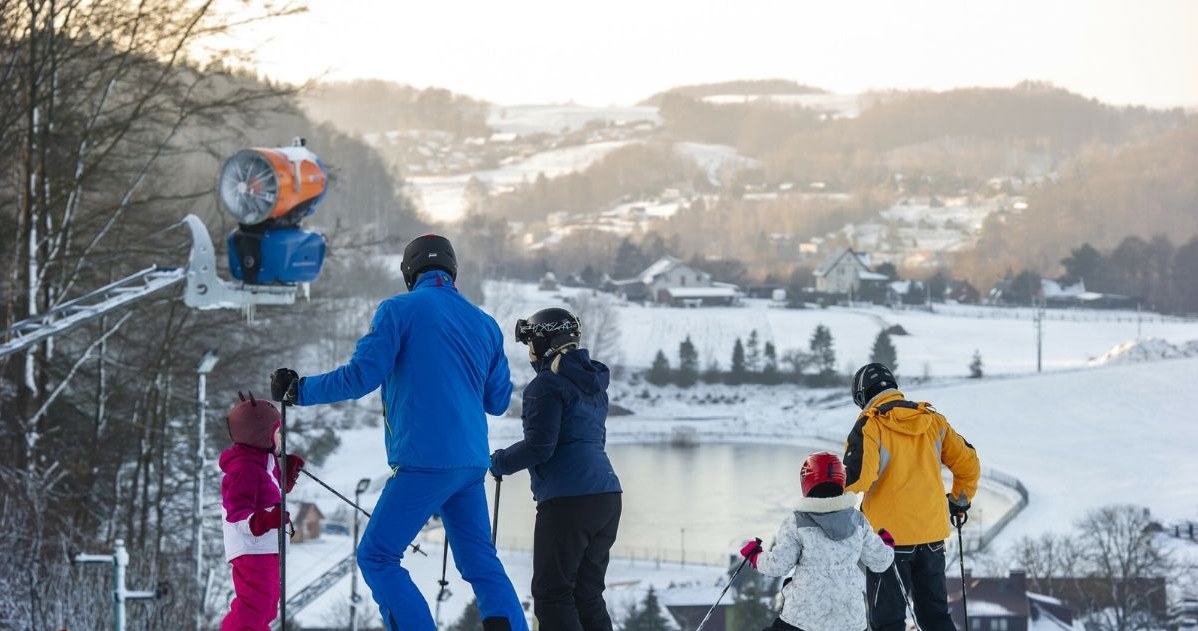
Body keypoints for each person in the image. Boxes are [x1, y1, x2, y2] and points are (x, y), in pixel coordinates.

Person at [270, 234, 527, 631]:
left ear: (410, 272)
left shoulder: (397, 311)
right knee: (481, 563)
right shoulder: (486, 325)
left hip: (424, 462)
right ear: (451, 270)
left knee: (377, 556)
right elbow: (497, 400)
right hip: (471, 464)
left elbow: (361, 377)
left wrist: (298, 390)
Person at [490, 307, 623, 631]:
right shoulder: (594, 385)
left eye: (531, 344)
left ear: (543, 342)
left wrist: (500, 461)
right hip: (607, 495)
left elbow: (540, 446)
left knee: (551, 593)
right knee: (587, 594)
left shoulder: (546, 386)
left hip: (568, 500)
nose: (530, 353)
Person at [843, 363, 981, 631]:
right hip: (932, 536)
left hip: (887, 542)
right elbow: (969, 464)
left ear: (861, 396)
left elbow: (857, 478)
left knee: (888, 622)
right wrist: (959, 501)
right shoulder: (932, 420)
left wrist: (830, 508)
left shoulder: (870, 425)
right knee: (936, 617)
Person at [739, 451, 895, 631]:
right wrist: (886, 543)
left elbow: (779, 565)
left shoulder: (797, 522)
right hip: (850, 621)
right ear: (841, 480)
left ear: (806, 482)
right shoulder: (858, 520)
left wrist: (755, 556)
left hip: (803, 619)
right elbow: (880, 562)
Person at [219, 392, 304, 631]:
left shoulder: (263, 461)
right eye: (277, 432)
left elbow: (270, 494)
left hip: (265, 545)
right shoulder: (244, 468)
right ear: (261, 435)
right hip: (250, 547)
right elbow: (236, 513)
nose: (280, 438)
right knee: (255, 604)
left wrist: (286, 476)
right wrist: (264, 520)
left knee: (267, 606)